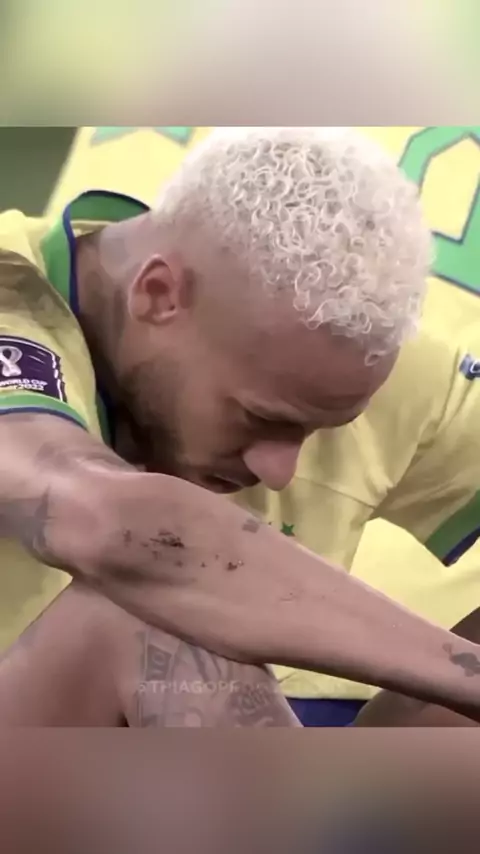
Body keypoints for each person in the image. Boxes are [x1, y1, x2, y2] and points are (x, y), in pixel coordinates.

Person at [3, 125, 480, 724]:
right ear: (158, 294)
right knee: (154, 611)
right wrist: (464, 673)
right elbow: (110, 525)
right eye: (261, 418)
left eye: (324, 429)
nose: (280, 471)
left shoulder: (344, 351)